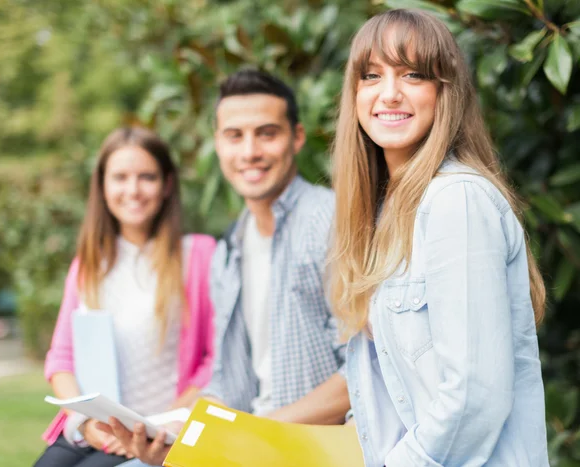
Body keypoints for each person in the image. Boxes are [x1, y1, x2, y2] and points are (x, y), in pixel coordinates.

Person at [328, 8, 549, 466]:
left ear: (443, 93)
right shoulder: (384, 215)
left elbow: (475, 396)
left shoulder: (457, 201)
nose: (389, 94)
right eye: (371, 76)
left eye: (413, 74)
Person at [108, 69, 350, 467]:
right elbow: (227, 382)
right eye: (235, 136)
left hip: (311, 449)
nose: (250, 151)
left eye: (267, 133)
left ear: (297, 137)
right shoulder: (229, 250)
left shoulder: (331, 222)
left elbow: (362, 373)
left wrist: (256, 433)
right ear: (218, 144)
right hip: (246, 444)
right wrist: (173, 431)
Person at [33, 127, 216, 467]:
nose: (133, 190)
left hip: (155, 431)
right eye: (120, 177)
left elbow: (215, 359)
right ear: (102, 186)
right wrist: (85, 422)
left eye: (146, 177)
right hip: (92, 427)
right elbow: (61, 357)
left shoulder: (199, 256)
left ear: (167, 185)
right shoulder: (88, 265)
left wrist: (158, 423)